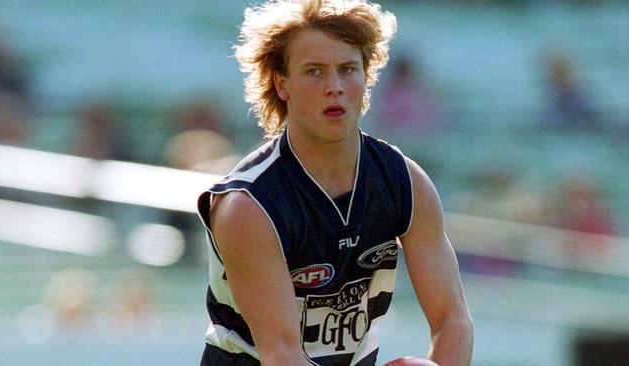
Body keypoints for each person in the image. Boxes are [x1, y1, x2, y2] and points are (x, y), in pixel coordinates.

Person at [196, 1, 474, 365]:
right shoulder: (248, 206)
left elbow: (452, 320)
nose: (335, 87)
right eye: (314, 72)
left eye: (348, 70)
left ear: (366, 76)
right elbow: (281, 353)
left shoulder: (404, 182)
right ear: (282, 84)